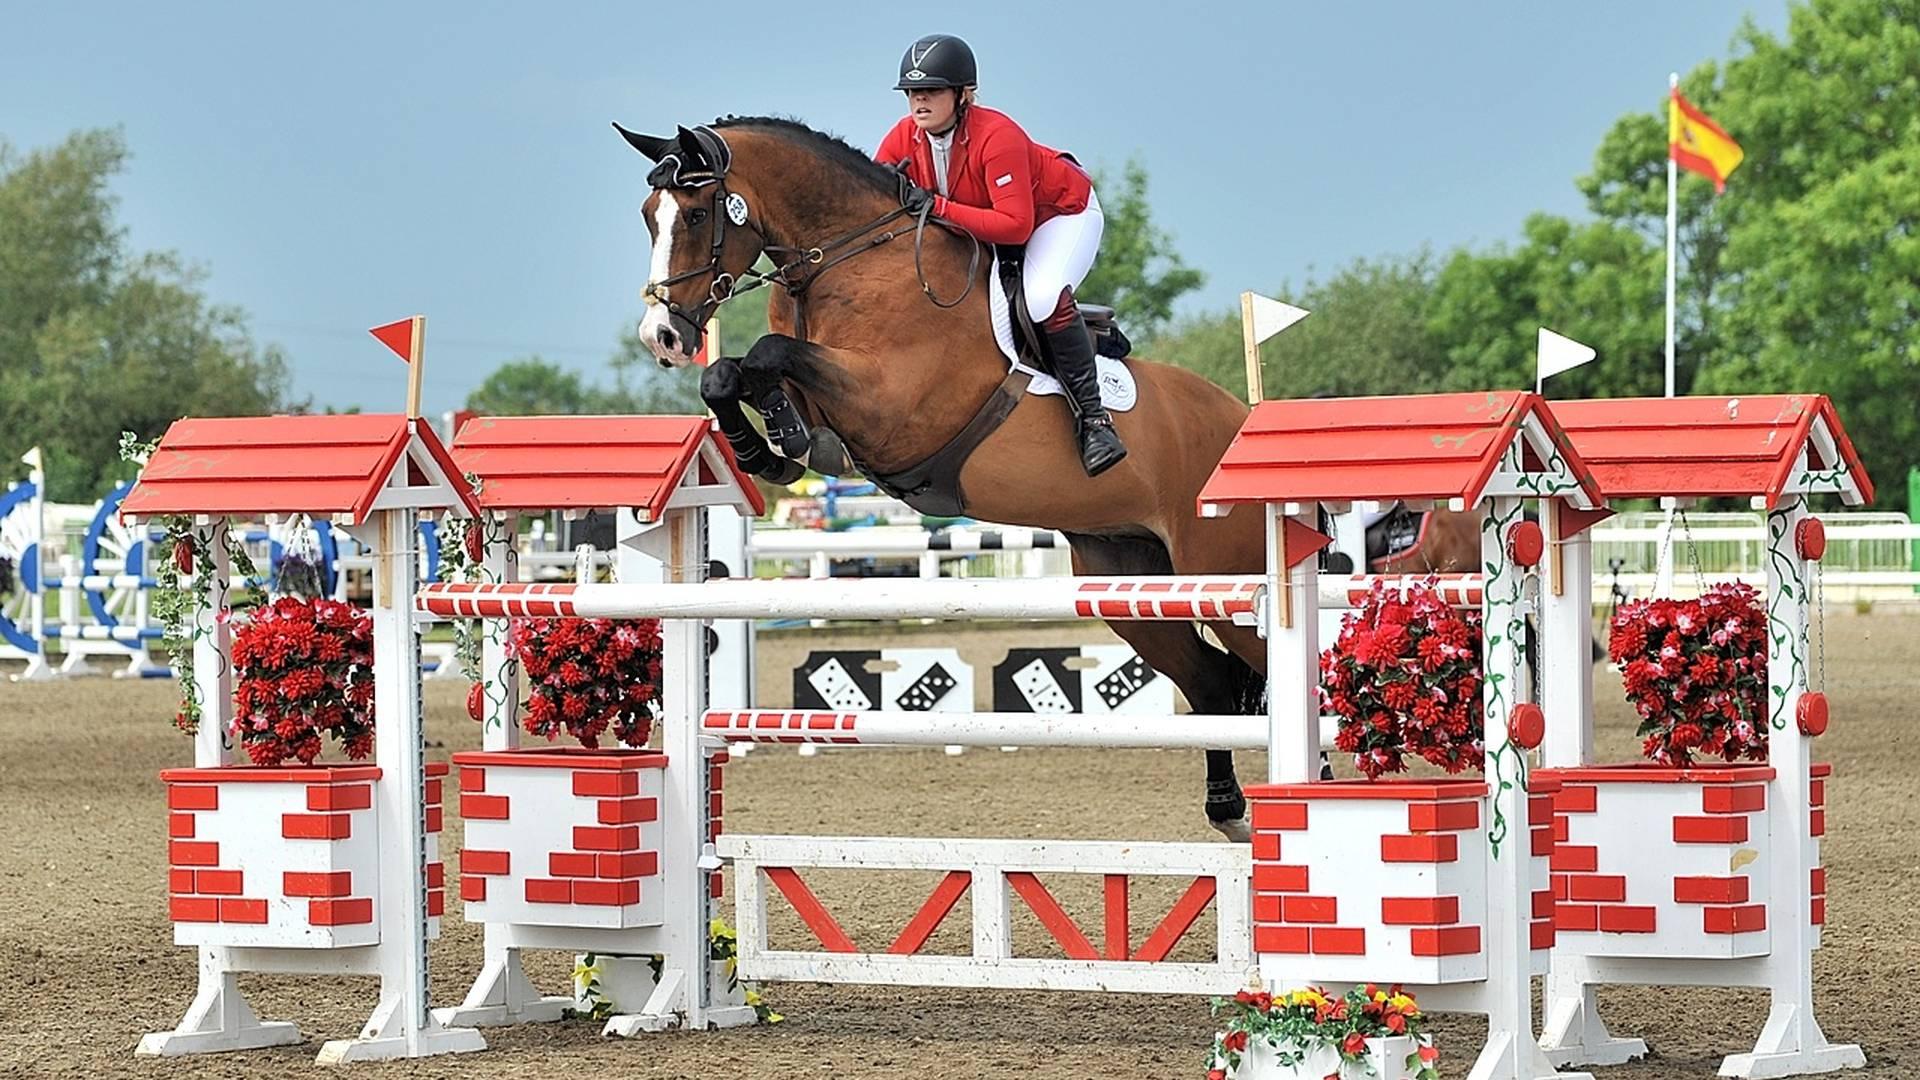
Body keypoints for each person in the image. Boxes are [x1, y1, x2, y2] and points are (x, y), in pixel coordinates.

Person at [876, 33, 1126, 477]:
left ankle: (1095, 422)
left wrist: (938, 207)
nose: (919, 102)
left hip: (1059, 216)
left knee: (1042, 296)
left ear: (963, 94)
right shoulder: (904, 137)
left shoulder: (998, 135)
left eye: (931, 91)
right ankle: (1089, 340)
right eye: (913, 92)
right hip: (987, 227)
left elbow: (1015, 225)